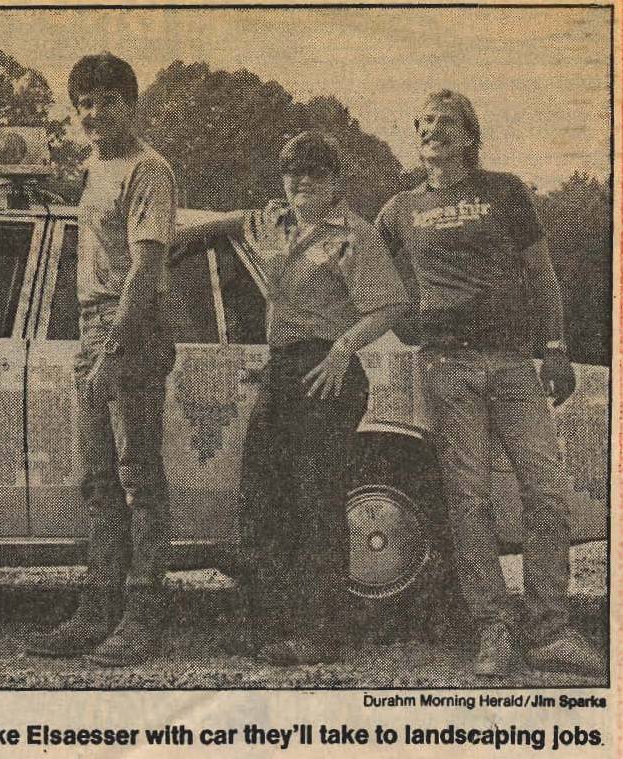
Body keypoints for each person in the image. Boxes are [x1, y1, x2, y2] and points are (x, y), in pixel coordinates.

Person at [375, 89, 606, 677]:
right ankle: (493, 626)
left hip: (513, 365)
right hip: (446, 368)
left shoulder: (505, 191)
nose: (432, 130)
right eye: (423, 123)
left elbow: (542, 275)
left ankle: (551, 630)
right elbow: (367, 269)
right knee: (469, 498)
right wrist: (407, 322)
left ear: (470, 135)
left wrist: (556, 347)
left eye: (445, 122)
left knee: (545, 490)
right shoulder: (399, 209)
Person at [177, 131, 410, 664]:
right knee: (264, 494)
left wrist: (344, 348)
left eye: (315, 173)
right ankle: (269, 626)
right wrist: (186, 235)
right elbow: (212, 227)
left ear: (336, 180)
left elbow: (390, 305)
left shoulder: (354, 234)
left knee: (316, 499)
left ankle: (321, 634)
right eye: (292, 172)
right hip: (282, 367)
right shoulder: (274, 221)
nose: (302, 182)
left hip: (326, 368)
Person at [25, 52, 178, 666]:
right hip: (94, 327)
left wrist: (113, 348)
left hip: (130, 328)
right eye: (84, 104)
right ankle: (97, 609)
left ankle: (143, 618)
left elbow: (147, 268)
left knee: (139, 478)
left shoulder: (150, 170)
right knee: (97, 479)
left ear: (131, 105)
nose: (93, 114)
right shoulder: (95, 165)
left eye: (106, 102)